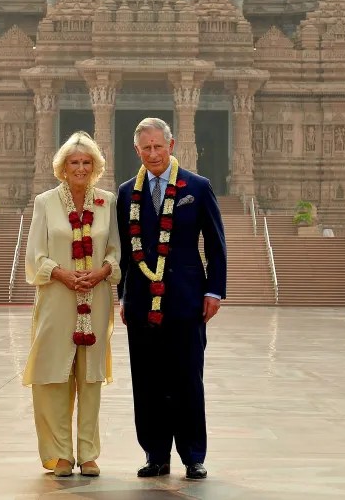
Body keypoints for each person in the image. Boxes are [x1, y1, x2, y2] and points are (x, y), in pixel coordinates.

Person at [116, 117, 227, 481]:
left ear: (172, 145)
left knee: (187, 378)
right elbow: (121, 252)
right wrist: (122, 295)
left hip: (186, 299)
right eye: (145, 148)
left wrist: (214, 290)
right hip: (141, 301)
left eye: (158, 146)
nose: (152, 153)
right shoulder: (124, 193)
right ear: (137, 151)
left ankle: (193, 455)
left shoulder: (197, 186)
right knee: (147, 380)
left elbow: (215, 244)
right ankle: (155, 454)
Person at [23, 131, 122, 477]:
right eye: (73, 162)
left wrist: (103, 272)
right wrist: (62, 274)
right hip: (56, 298)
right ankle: (60, 455)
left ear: (95, 167)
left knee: (90, 377)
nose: (80, 168)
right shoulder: (45, 202)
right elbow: (35, 256)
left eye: (86, 162)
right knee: (53, 375)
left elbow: (114, 249)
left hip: (95, 299)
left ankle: (89, 453)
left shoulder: (107, 202)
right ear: (62, 168)